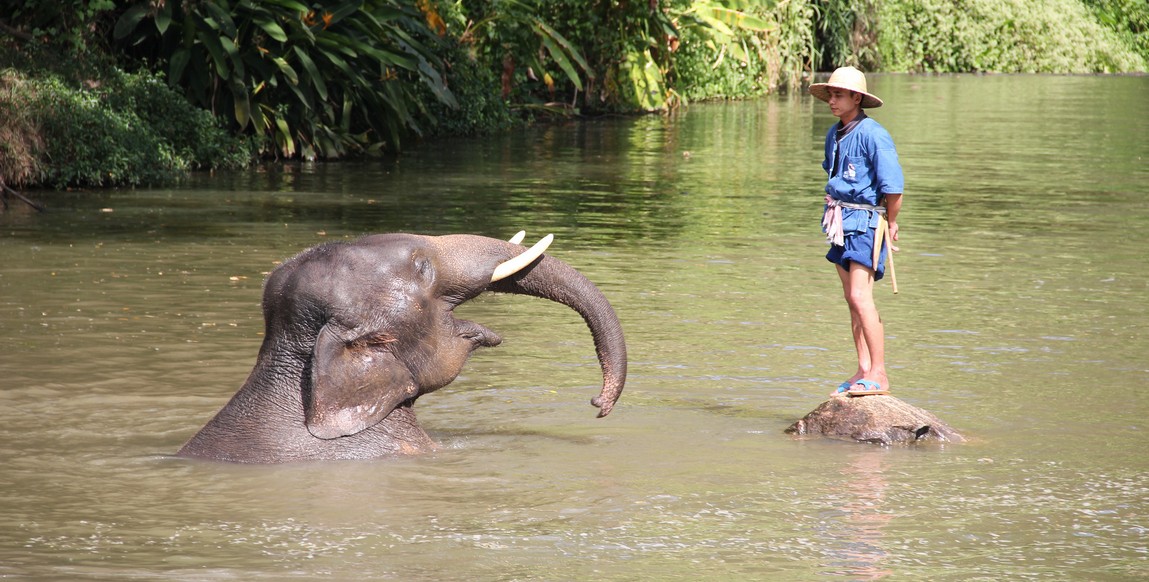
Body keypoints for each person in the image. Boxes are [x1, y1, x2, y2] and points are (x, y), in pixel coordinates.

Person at [808, 66, 904, 397]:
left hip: (865, 222)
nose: (832, 101)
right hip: (839, 221)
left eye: (838, 95)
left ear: (856, 98)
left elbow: (894, 188)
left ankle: (880, 373)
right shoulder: (834, 135)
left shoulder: (874, 134)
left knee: (862, 297)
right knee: (851, 299)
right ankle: (863, 368)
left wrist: (890, 223)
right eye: (830, 95)